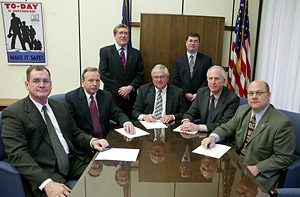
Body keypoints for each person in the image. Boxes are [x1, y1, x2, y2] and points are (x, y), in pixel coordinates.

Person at [1, 65, 109, 197]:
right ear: (27, 84)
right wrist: (46, 183)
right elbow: (17, 154)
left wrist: (92, 141)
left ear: (51, 85)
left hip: (71, 161)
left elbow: (74, 133)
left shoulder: (60, 106)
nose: (42, 85)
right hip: (45, 170)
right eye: (36, 81)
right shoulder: (14, 113)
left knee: (105, 177)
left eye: (46, 81)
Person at [201, 80, 296, 192]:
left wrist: (257, 168)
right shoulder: (243, 110)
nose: (254, 97)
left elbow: (284, 157)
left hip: (258, 173)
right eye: (251, 93)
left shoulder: (282, 123)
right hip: (236, 165)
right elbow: (227, 127)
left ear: (268, 95)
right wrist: (213, 137)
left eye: (259, 93)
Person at [65, 67, 135, 144]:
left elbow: (116, 113)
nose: (95, 84)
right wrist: (91, 141)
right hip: (85, 143)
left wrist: (126, 122)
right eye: (91, 81)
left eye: (97, 81)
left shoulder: (106, 96)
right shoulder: (72, 98)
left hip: (106, 141)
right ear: (83, 81)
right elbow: (72, 128)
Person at [99, 24, 144, 119]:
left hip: (130, 98)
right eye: (120, 33)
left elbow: (140, 74)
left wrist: (130, 88)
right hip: (112, 96)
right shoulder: (105, 51)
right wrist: (121, 91)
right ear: (115, 35)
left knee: (130, 125)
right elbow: (104, 74)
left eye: (126, 33)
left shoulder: (136, 53)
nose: (123, 35)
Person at [180, 66, 240, 132]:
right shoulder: (201, 92)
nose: (213, 82)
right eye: (210, 78)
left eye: (216, 79)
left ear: (224, 81)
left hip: (220, 135)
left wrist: (198, 127)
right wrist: (186, 122)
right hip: (200, 135)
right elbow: (190, 113)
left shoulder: (232, 99)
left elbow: (224, 124)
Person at [173, 32, 212, 107]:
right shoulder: (178, 61)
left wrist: (198, 93)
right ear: (186, 43)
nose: (192, 43)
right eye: (190, 40)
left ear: (199, 43)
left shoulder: (206, 60)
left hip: (201, 97)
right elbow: (176, 79)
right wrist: (185, 93)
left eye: (195, 41)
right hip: (182, 98)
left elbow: (208, 78)